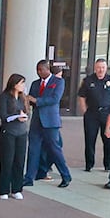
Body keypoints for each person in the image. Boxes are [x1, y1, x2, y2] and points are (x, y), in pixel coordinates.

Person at [24, 60, 71, 189]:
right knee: (33, 149)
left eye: (41, 69)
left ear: (47, 69)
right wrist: (27, 101)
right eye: (37, 70)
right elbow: (31, 100)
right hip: (37, 121)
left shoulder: (58, 82)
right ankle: (29, 177)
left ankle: (65, 175)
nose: (39, 72)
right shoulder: (35, 84)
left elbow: (54, 99)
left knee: (54, 149)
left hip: (50, 121)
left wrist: (36, 100)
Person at [78, 58, 110, 173]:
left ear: (106, 68)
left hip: (108, 114)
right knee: (90, 140)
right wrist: (84, 111)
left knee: (108, 140)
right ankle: (89, 164)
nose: (100, 70)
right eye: (98, 67)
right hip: (92, 114)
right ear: (95, 68)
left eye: (103, 67)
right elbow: (81, 96)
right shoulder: (88, 80)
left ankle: (108, 165)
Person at [0, 74, 30, 199]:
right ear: (14, 84)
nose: (23, 86)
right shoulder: (4, 97)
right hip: (8, 132)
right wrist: (16, 116)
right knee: (7, 161)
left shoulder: (22, 97)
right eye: (21, 83)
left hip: (21, 132)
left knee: (19, 161)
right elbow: (3, 115)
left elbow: (27, 112)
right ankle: (4, 190)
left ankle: (17, 188)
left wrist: (24, 116)